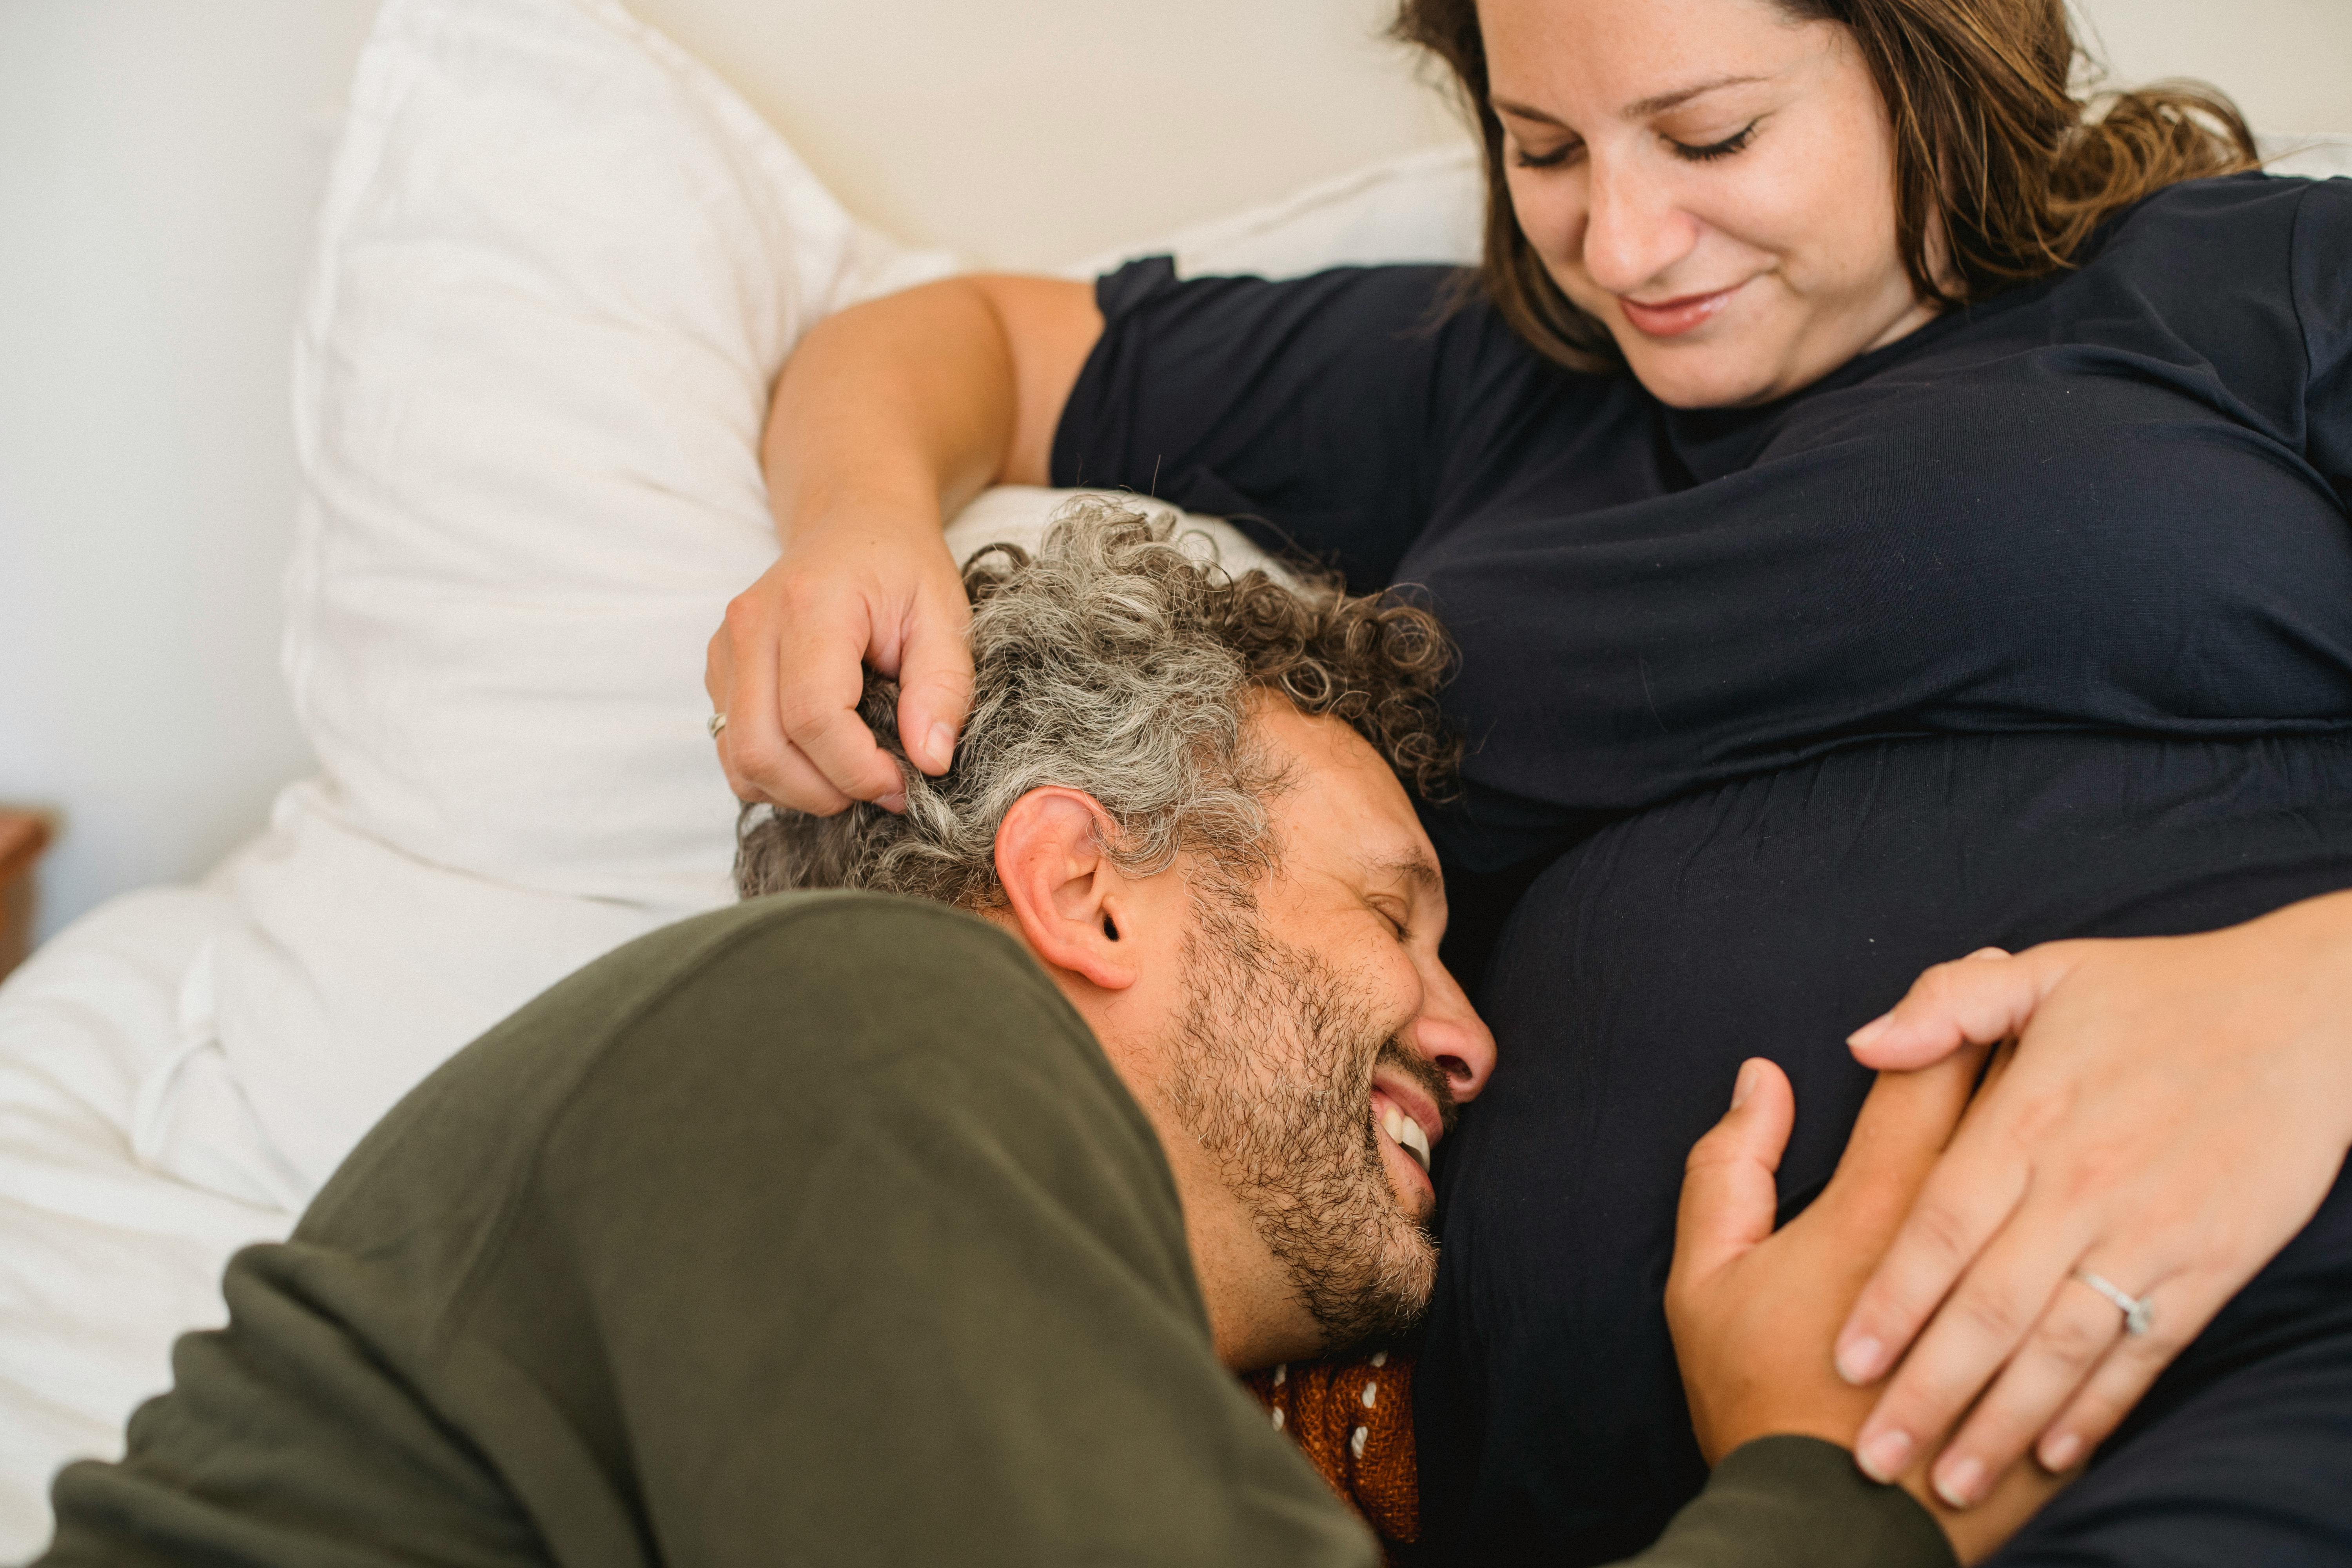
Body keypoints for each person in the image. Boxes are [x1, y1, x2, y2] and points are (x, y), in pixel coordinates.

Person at [702, 0, 2352, 1563]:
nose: (1623, 244)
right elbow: (967, 335)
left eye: (1710, 136)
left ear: (1931, 58)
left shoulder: (2248, 284)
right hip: (1717, 1507)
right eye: (1545, 151)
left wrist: (2308, 1006)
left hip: (2278, 1325)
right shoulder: (1496, 389)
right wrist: (857, 517)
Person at [37, 510, 2047, 1567]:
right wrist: (1820, 1488)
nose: (1469, 1038)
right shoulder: (848, 1022)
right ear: (1081, 889)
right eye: (1389, 913)